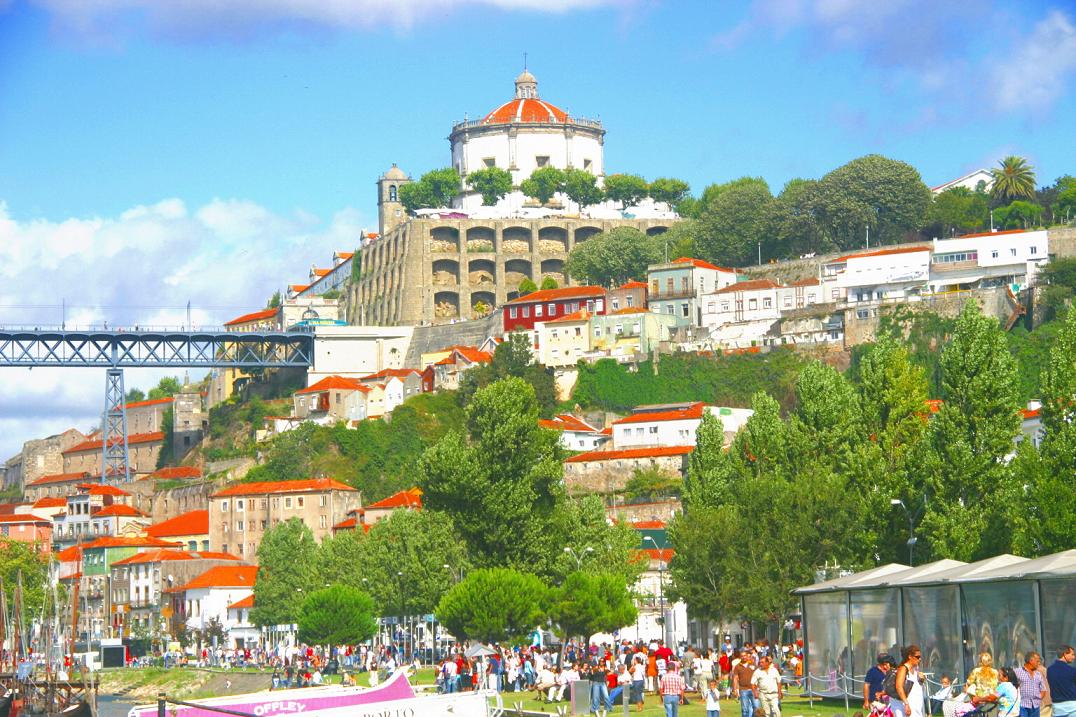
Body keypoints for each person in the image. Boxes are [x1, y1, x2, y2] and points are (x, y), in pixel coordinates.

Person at [891, 645, 926, 717]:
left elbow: (916, 685)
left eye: (920, 657)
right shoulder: (903, 669)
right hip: (905, 704)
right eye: (917, 657)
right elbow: (899, 687)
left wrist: (921, 680)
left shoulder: (916, 668)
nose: (920, 659)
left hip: (916, 705)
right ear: (910, 656)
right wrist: (906, 704)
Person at [1015, 652, 1048, 717]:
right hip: (1022, 706)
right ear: (1031, 661)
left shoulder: (1038, 674)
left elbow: (1043, 689)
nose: (1039, 663)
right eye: (1037, 661)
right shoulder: (1017, 672)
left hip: (1035, 706)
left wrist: (1038, 698)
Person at [1047, 647, 1076, 717]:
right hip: (1072, 706)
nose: (1074, 657)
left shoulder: (1050, 670)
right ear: (1065, 654)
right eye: (1072, 654)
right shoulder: (1072, 670)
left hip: (1057, 707)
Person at [734, 650, 758, 717]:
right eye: (742, 656)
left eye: (745, 655)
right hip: (743, 690)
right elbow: (735, 678)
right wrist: (735, 689)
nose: (744, 657)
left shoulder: (753, 664)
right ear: (740, 657)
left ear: (747, 656)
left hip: (753, 689)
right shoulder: (737, 666)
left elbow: (758, 676)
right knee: (745, 710)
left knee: (756, 707)